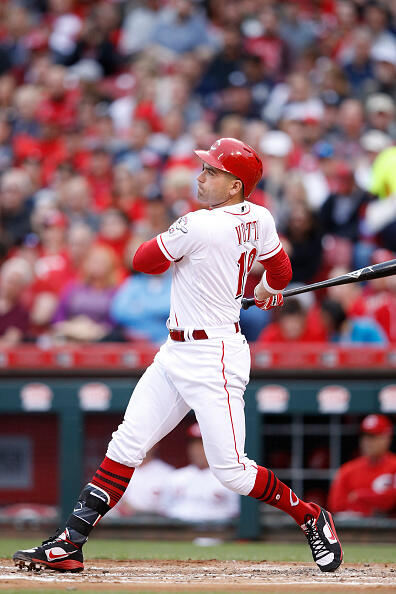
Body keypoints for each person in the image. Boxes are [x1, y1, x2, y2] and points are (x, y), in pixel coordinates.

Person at [13, 137, 342, 573]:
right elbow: (281, 269)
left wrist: (185, 239)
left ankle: (311, 516)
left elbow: (142, 260)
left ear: (234, 187)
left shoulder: (198, 224)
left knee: (232, 472)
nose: (201, 175)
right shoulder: (259, 217)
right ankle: (69, 542)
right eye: (204, 167)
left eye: (213, 171)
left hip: (215, 356)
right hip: (175, 352)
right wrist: (269, 289)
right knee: (127, 444)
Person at [160, 423, 239, 523]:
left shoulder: (230, 478)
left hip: (218, 532)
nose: (198, 451)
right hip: (180, 532)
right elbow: (164, 509)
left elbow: (235, 512)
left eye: (202, 445)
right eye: (194, 445)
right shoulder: (176, 477)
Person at [328, 414, 396, 517]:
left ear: (387, 438)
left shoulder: (394, 466)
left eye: (373, 437)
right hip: (357, 531)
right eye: (364, 436)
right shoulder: (347, 470)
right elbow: (336, 507)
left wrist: (361, 496)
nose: (367, 442)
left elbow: (392, 500)